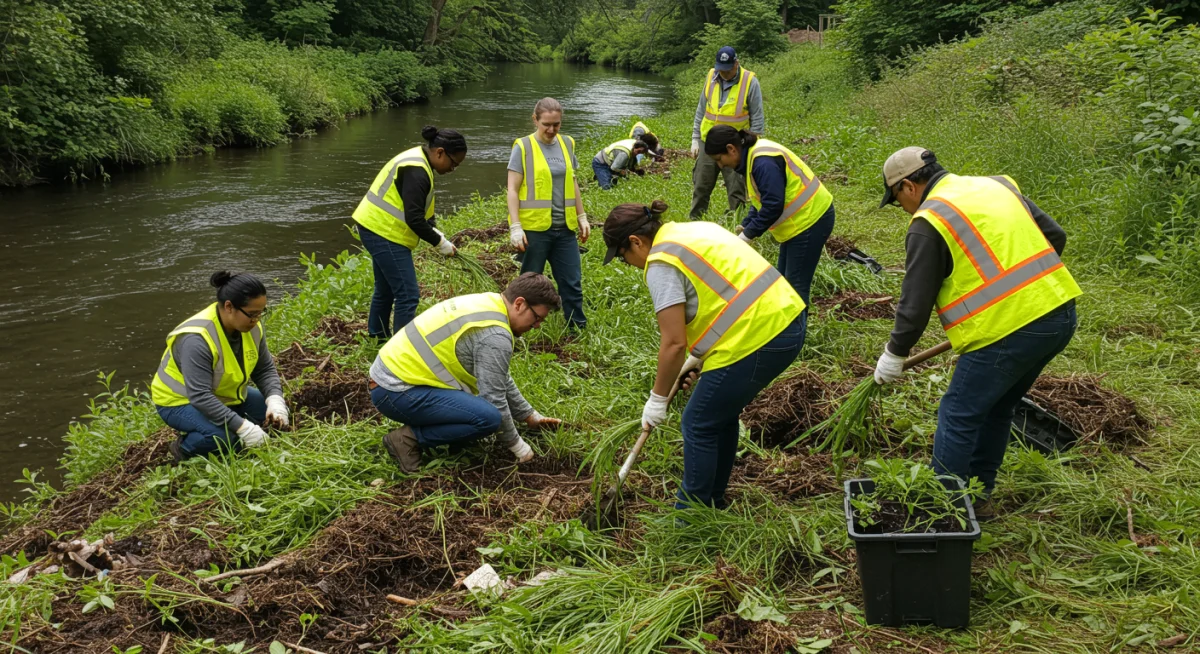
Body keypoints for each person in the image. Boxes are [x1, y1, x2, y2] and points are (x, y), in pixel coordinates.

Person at [873, 147, 1082, 519]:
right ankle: (978, 497)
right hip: (1060, 314)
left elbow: (915, 302)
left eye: (897, 201)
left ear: (907, 186)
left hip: (1009, 332)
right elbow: (1055, 236)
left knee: (958, 413)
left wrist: (895, 352)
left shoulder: (929, 220)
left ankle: (946, 511)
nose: (902, 208)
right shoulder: (997, 185)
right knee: (998, 406)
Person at [602, 201, 806, 511]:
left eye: (622, 257)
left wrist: (657, 399)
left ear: (635, 242)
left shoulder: (661, 263)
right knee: (717, 416)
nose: (627, 263)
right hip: (786, 318)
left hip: (760, 335)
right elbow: (723, 296)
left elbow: (672, 343)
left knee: (698, 422)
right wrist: (699, 356)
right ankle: (712, 502)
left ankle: (690, 516)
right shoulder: (691, 231)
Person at [371, 273, 565, 472]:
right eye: (537, 318)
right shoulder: (495, 335)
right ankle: (407, 439)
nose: (537, 326)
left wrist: (528, 415)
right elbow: (494, 399)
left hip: (392, 379)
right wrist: (518, 447)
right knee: (488, 418)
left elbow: (497, 375)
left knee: (479, 413)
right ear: (520, 304)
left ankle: (453, 435)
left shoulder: (489, 303)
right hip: (395, 391)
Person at [151, 271, 289, 462]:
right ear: (229, 306)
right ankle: (183, 448)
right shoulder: (196, 339)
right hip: (180, 401)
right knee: (225, 440)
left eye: (261, 313)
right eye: (252, 314)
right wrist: (243, 428)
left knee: (272, 419)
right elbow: (199, 395)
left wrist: (275, 400)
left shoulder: (251, 327)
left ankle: (225, 423)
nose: (257, 320)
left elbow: (264, 369)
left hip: (222, 394)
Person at [353, 125, 466, 340]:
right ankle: (401, 350)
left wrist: (438, 234)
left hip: (375, 227)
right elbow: (414, 219)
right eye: (453, 163)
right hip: (383, 232)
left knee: (385, 289)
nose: (453, 169)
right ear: (440, 152)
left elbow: (423, 214)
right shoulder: (416, 170)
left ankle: (378, 337)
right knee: (408, 295)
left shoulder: (420, 161)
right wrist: (440, 243)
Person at [704, 126, 836, 307]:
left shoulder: (763, 162)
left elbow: (773, 205)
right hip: (798, 224)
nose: (721, 165)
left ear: (731, 149)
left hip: (811, 219)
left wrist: (747, 236)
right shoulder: (752, 158)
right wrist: (746, 224)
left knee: (795, 288)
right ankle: (789, 330)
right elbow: (762, 200)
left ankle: (794, 333)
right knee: (783, 282)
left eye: (720, 159)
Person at [507, 98, 591, 330]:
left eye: (557, 124)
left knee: (572, 282)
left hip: (564, 228)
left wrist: (582, 216)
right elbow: (513, 190)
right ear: (535, 120)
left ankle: (577, 327)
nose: (552, 130)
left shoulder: (567, 143)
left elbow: (572, 182)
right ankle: (518, 328)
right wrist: (516, 226)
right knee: (529, 283)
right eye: (546, 124)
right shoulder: (522, 147)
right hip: (534, 230)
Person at [689, 46, 763, 221]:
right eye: (721, 70)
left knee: (736, 189)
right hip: (708, 143)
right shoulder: (711, 77)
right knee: (701, 185)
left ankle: (738, 225)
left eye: (728, 70)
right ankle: (695, 223)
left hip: (734, 147)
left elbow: (757, 118)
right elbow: (702, 110)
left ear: (736, 64)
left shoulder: (750, 82)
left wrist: (755, 147)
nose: (724, 74)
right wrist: (695, 138)